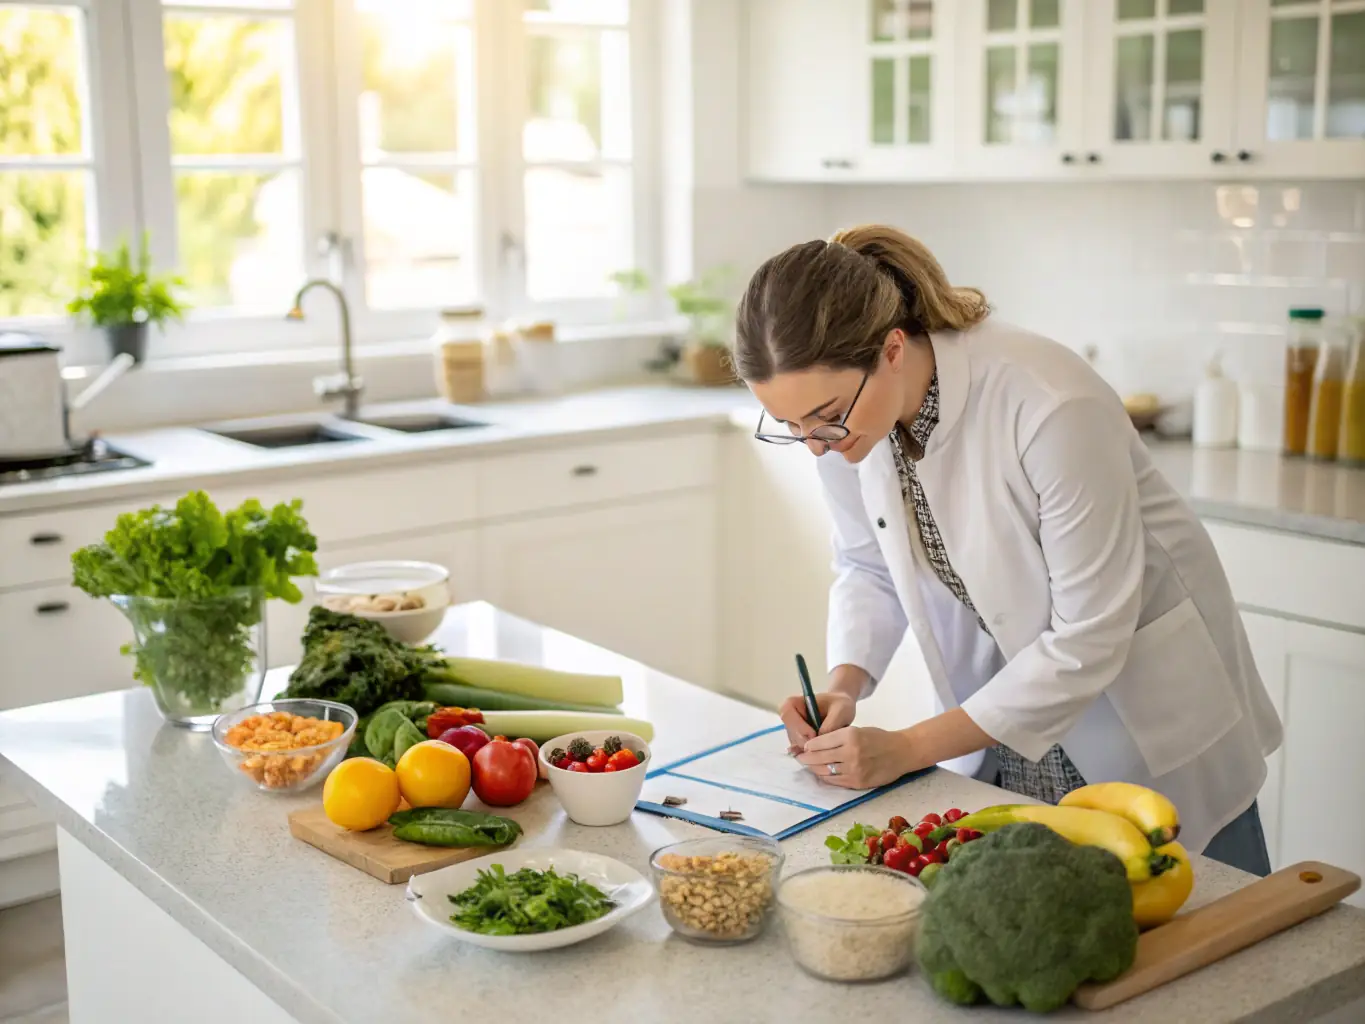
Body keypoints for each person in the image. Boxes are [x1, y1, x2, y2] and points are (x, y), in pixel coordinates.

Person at [733, 224, 1282, 875]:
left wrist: (907, 747)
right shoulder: (844, 425)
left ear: (890, 350)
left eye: (822, 418)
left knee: (1219, 945)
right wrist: (842, 686)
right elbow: (866, 565)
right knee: (1051, 944)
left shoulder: (1048, 403)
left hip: (1142, 725)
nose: (815, 444)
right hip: (1004, 727)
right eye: (790, 427)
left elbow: (1086, 640)